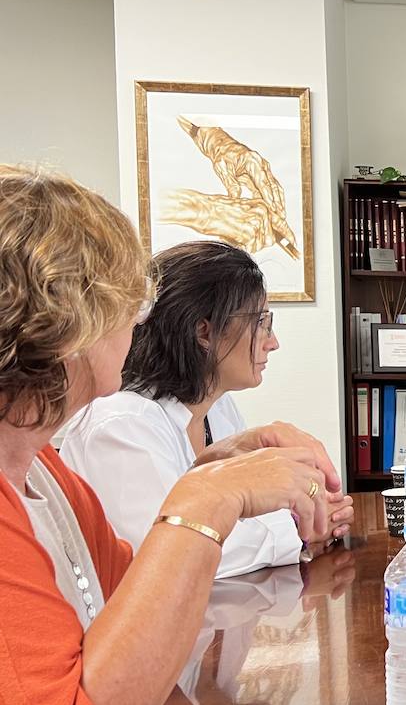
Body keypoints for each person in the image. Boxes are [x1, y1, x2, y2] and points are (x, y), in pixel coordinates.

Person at [0, 166, 337, 705]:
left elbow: (134, 598)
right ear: (63, 321)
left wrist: (215, 467)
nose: (138, 323)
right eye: (126, 303)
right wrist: (210, 495)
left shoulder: (42, 470)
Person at [63, 241, 352, 577]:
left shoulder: (218, 408)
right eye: (261, 323)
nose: (272, 342)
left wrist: (310, 515)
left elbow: (243, 516)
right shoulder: (120, 425)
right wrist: (300, 532)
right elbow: (177, 553)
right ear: (204, 331)